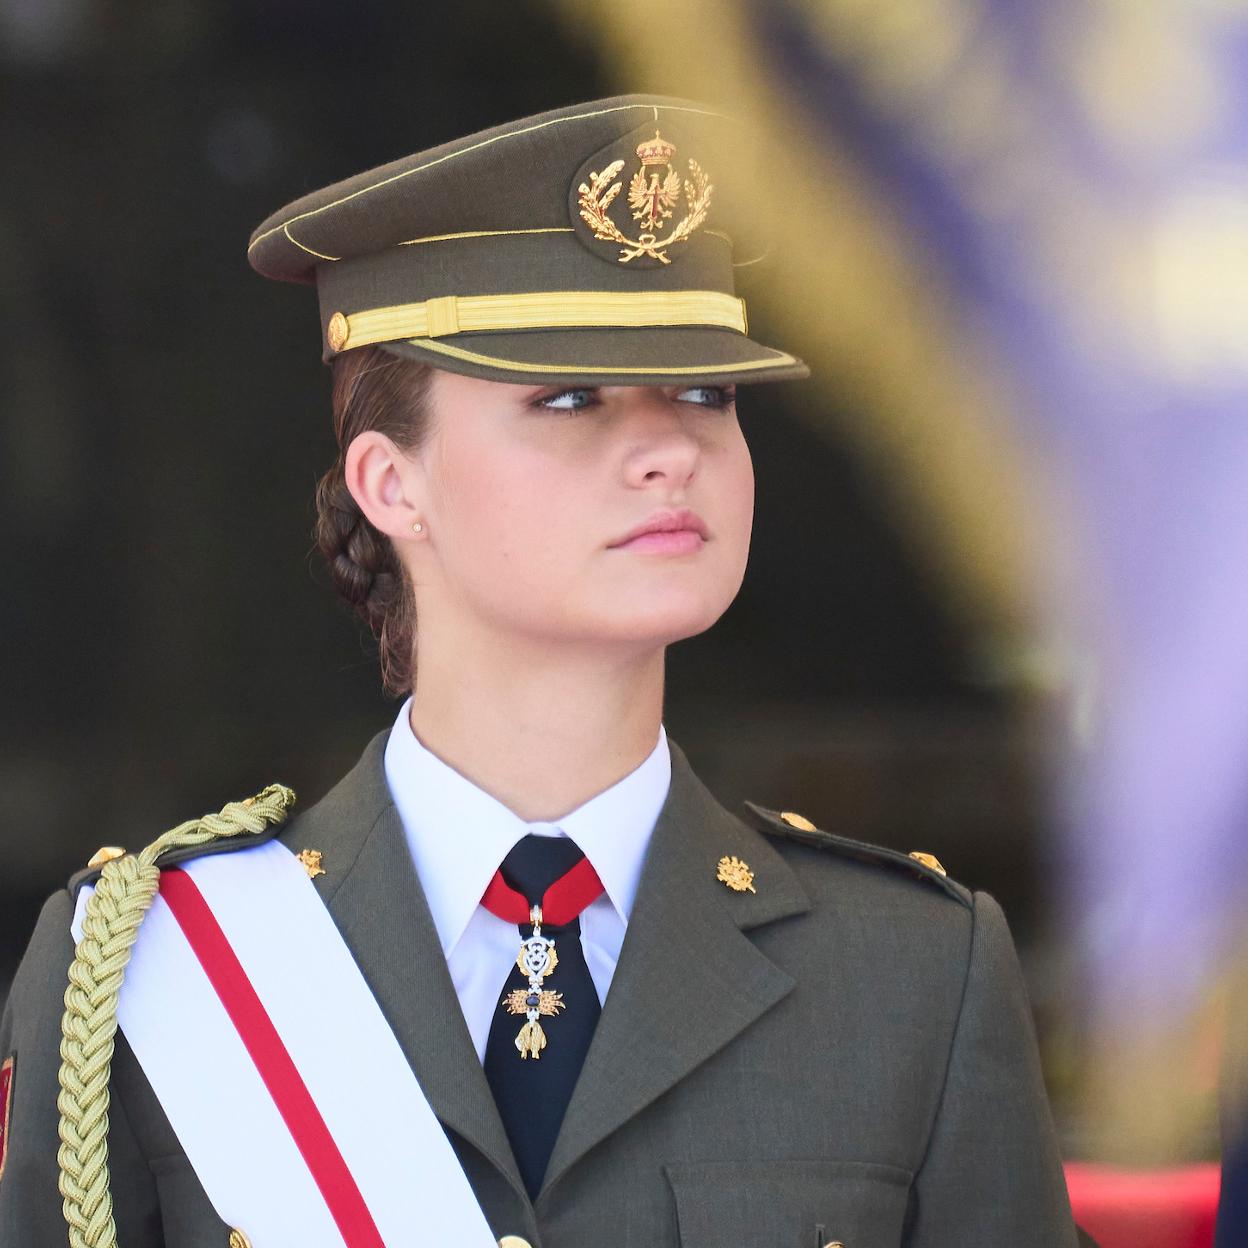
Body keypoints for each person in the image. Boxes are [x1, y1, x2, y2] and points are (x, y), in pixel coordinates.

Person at [0, 94, 1080, 1247]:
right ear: (388, 484)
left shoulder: (914, 970)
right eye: (570, 398)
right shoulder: (147, 971)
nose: (671, 448)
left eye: (707, 394)